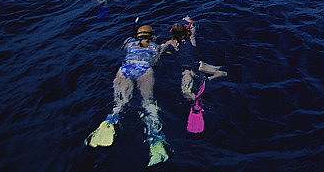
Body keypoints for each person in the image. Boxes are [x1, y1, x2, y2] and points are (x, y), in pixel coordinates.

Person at [85, 24, 168, 167]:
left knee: (120, 104)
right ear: (151, 36)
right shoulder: (156, 47)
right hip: (144, 70)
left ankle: (109, 122)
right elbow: (155, 61)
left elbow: (125, 44)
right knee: (148, 104)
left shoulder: (130, 44)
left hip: (125, 69)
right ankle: (155, 140)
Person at [160, 16, 227, 102]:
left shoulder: (173, 42)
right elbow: (193, 26)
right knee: (223, 73)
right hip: (199, 64)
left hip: (187, 70)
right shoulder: (191, 37)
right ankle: (209, 79)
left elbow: (161, 49)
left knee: (185, 92)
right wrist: (189, 21)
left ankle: (197, 101)